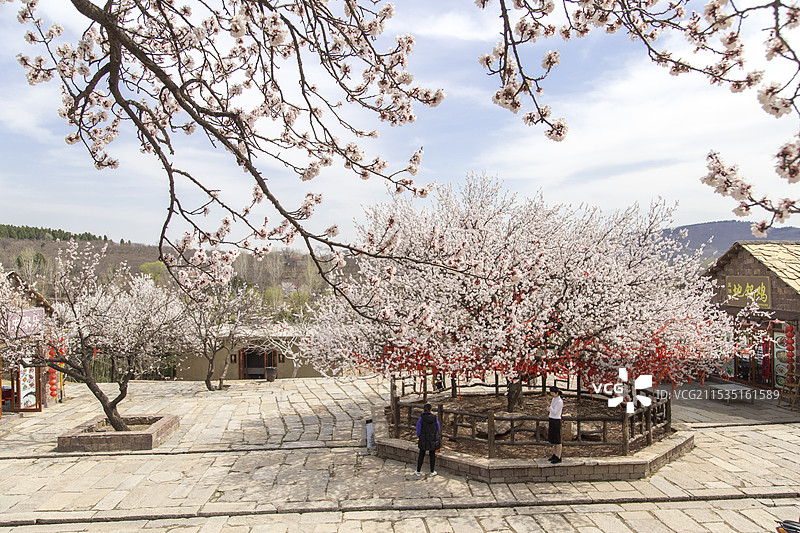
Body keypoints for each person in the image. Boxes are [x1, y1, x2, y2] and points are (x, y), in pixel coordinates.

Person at [415, 403, 440, 476]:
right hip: (432, 439)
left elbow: (418, 428)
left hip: (423, 438)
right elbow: (438, 427)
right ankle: (432, 471)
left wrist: (419, 436)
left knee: (421, 454)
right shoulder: (434, 418)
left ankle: (418, 471)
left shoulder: (421, 418)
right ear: (431, 409)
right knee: (432, 454)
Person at [547, 385, 563, 463]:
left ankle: (559, 456)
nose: (552, 395)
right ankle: (555, 454)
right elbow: (550, 410)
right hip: (552, 419)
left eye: (553, 393)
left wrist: (549, 405)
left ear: (556, 393)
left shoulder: (560, 401)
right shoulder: (554, 399)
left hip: (556, 420)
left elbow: (555, 411)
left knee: (558, 439)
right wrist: (548, 405)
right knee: (553, 439)